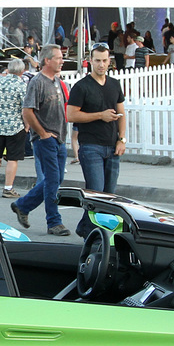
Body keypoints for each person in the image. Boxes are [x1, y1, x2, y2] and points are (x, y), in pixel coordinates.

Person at [67, 44, 126, 235]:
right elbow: (71, 115)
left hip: (112, 146)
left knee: (109, 194)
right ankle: (93, 236)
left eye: (104, 60)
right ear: (90, 61)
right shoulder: (81, 86)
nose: (101, 64)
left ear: (110, 61)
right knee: (96, 192)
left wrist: (122, 140)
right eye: (97, 60)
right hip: (91, 145)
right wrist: (100, 115)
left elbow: (122, 113)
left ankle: (87, 228)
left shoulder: (115, 84)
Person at [11, 45, 69, 236]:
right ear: (47, 61)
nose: (62, 61)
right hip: (46, 140)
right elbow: (27, 111)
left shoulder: (58, 82)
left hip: (59, 138)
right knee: (52, 180)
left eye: (62, 58)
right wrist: (42, 133)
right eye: (58, 58)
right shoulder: (37, 82)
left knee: (57, 179)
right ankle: (54, 222)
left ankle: (23, 205)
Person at [0, 57, 28, 198]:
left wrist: (8, 70)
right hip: (15, 125)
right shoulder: (22, 85)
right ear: (22, 71)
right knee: (13, 158)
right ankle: (8, 187)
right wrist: (27, 125)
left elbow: (3, 73)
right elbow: (25, 107)